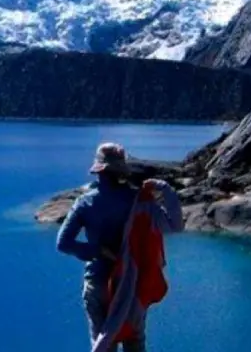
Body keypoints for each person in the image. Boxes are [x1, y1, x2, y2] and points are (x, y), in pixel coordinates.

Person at [56, 143, 183, 352]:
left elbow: (63, 244)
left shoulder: (84, 202)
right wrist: (164, 188)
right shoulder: (139, 200)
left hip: (98, 282)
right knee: (135, 344)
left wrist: (97, 250)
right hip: (132, 284)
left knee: (104, 345)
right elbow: (175, 225)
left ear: (98, 169)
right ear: (120, 170)